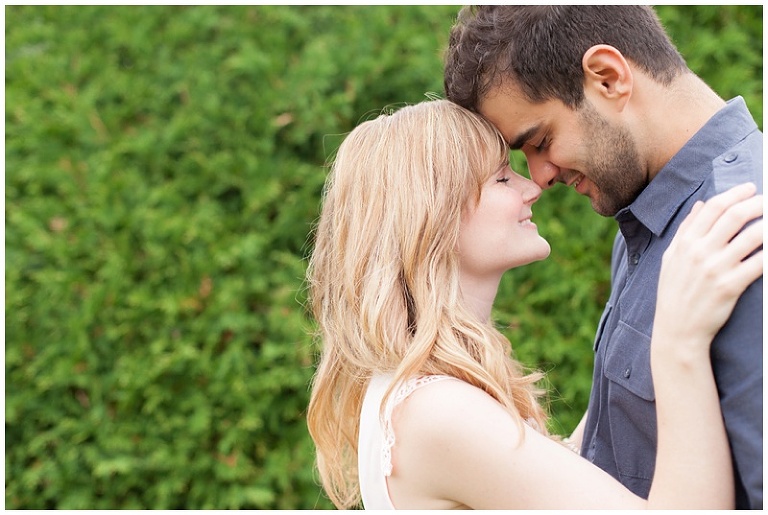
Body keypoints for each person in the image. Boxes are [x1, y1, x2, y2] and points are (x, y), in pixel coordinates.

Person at [304, 99, 763, 509]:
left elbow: (562, 478)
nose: (533, 188)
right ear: (432, 216)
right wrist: (678, 345)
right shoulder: (438, 413)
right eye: (503, 177)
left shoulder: (420, 392)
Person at [443, 5, 763, 509]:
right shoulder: (643, 226)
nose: (540, 177)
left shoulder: (743, 232)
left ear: (608, 78)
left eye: (540, 141)